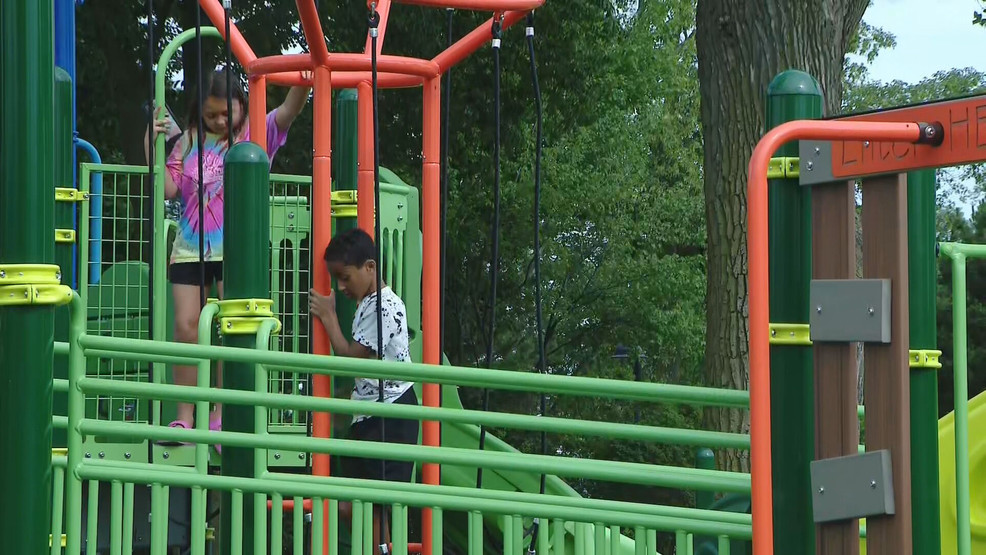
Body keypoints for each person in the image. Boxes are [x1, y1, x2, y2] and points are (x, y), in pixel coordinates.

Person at [147, 68, 311, 447]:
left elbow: (288, 110)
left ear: (242, 105)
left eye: (228, 112)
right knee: (187, 329)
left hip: (236, 247)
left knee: (231, 330)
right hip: (190, 246)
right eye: (211, 115)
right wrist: (152, 147)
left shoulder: (255, 133)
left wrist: (302, 81)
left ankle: (221, 416)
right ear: (198, 113)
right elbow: (169, 188)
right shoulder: (188, 141)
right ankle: (185, 419)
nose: (221, 120)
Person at [308, 227, 418, 554]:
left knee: (370, 502)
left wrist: (328, 317)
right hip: (371, 412)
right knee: (353, 502)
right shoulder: (369, 302)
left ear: (370, 267)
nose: (340, 286)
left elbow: (352, 359)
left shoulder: (384, 306)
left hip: (391, 413)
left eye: (344, 277)